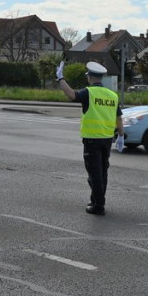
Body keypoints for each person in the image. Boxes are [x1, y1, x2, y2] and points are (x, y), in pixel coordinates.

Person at [58, 60, 123, 216]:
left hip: (92, 140)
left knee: (94, 174)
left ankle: (98, 206)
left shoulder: (89, 93)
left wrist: (60, 79)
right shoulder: (112, 95)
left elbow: (71, 94)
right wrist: (121, 135)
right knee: (103, 172)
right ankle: (96, 200)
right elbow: (119, 117)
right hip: (107, 140)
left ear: (89, 76)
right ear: (102, 77)